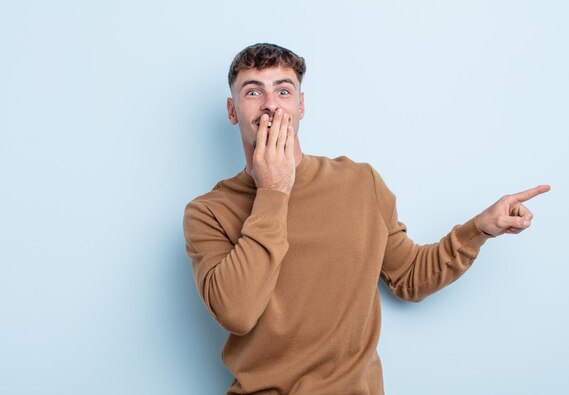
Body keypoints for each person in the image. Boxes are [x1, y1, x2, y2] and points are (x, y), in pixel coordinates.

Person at [183, 43, 550, 394]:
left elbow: (409, 276)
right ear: (233, 111)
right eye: (252, 93)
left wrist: (479, 230)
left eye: (283, 91)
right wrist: (273, 192)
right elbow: (237, 313)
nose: (270, 107)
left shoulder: (359, 182)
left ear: (301, 105)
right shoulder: (208, 212)